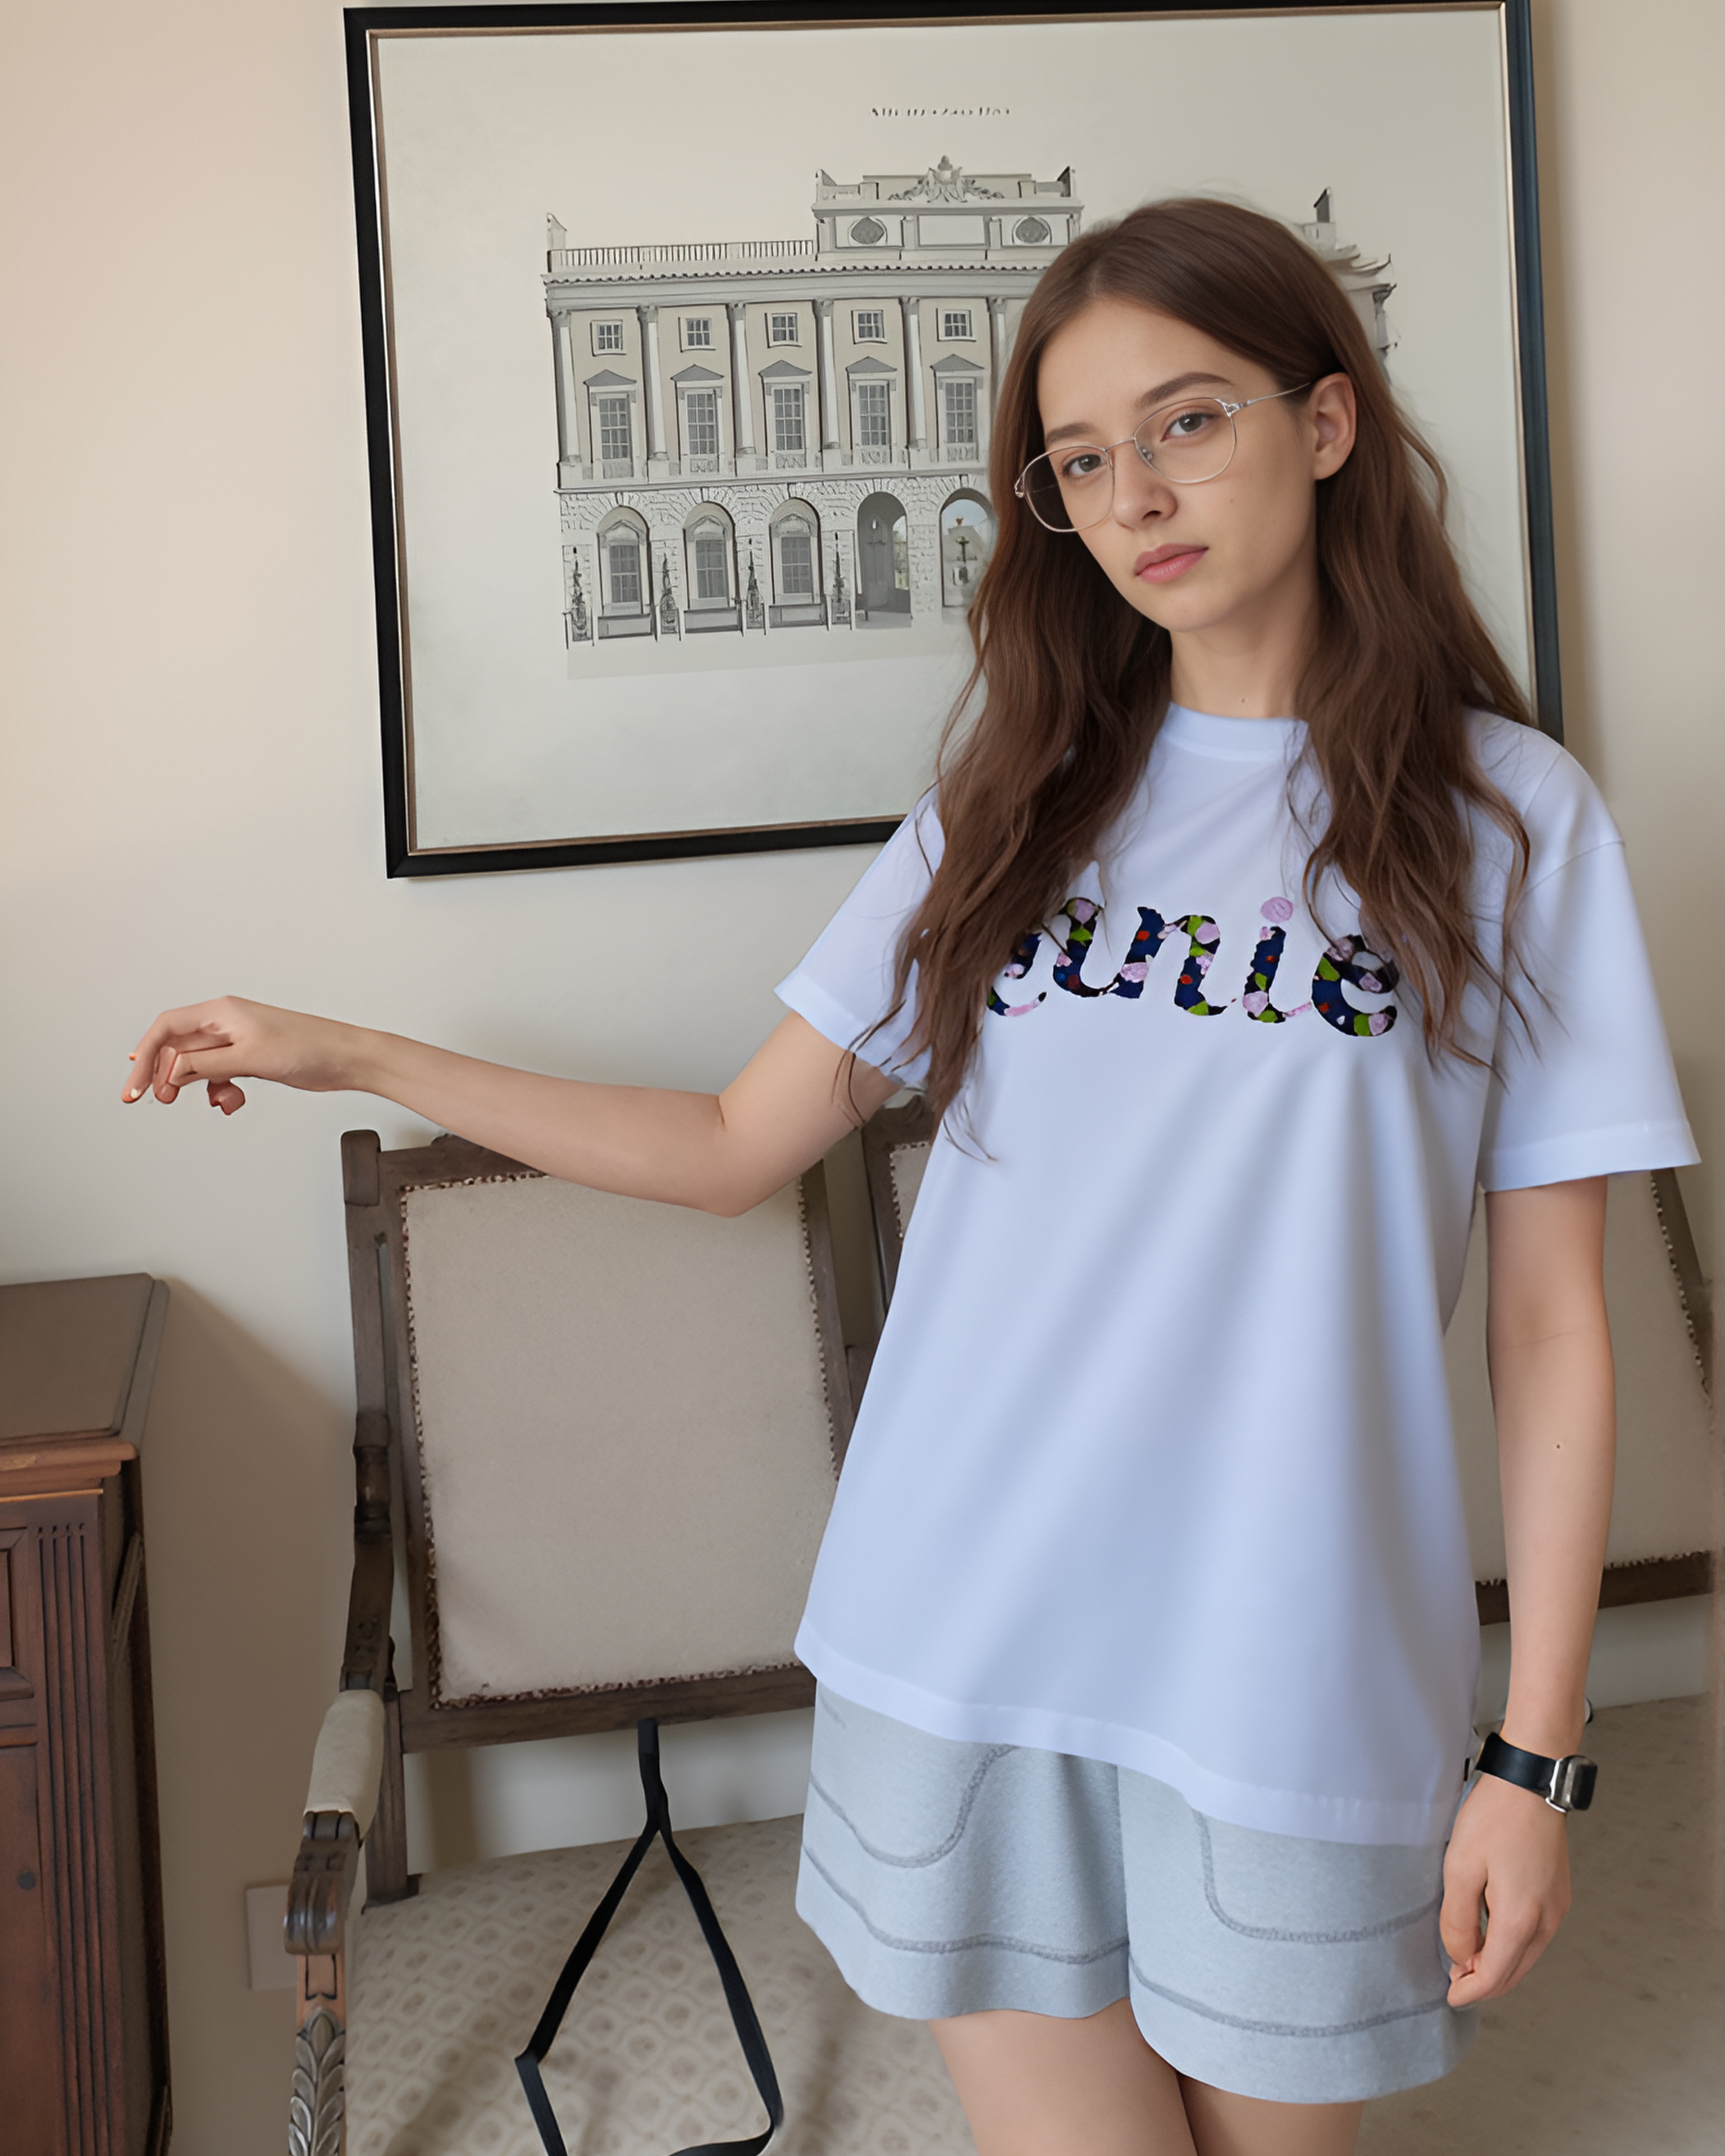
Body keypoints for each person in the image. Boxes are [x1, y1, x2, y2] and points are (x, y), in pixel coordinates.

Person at [124, 199, 1695, 2156]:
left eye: (1188, 422)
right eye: (1081, 462)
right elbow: (724, 1147)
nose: (1137, 494)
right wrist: (346, 1049)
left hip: (1293, 1672)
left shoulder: (1505, 823)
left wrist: (1533, 1764)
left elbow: (1552, 1330)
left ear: (1328, 423)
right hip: (963, 1637)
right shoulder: (1016, 799)